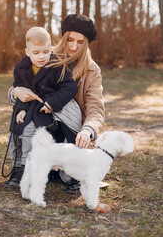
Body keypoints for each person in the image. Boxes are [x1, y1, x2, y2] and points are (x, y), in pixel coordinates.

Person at [9, 14, 105, 193]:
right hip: (43, 123)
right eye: (70, 39)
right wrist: (14, 92)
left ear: (86, 43)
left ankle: (74, 174)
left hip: (72, 129)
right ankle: (24, 167)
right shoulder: (45, 54)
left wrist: (88, 129)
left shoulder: (92, 70)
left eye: (80, 42)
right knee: (24, 117)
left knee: (68, 105)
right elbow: (24, 82)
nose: (74, 46)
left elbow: (96, 108)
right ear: (64, 37)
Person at [6, 26, 79, 187]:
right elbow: (20, 89)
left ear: (51, 49)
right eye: (36, 53)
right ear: (27, 51)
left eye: (45, 52)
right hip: (27, 109)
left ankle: (27, 169)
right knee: (16, 134)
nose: (41, 57)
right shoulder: (20, 68)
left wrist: (52, 103)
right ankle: (17, 169)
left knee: (30, 135)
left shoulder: (57, 66)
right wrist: (21, 109)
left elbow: (70, 88)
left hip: (45, 110)